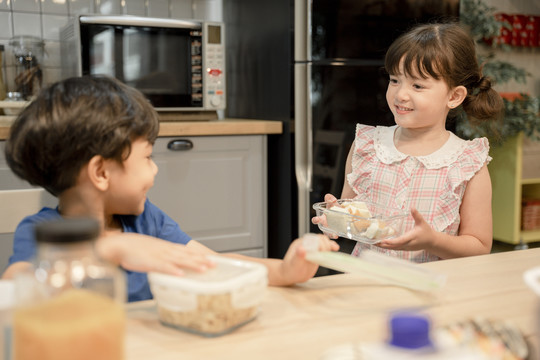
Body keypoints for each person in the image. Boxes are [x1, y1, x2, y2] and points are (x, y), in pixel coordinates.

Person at [2, 75, 339, 302]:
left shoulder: (147, 220)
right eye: (147, 157)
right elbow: (15, 288)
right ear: (101, 172)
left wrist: (283, 270)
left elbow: (213, 265)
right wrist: (111, 249)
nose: (155, 169)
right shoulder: (42, 234)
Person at [313, 22, 504, 263]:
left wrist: (432, 240)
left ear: (454, 96)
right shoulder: (367, 146)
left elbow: (479, 246)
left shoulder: (468, 162)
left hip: (435, 287)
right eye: (395, 80)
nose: (400, 94)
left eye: (417, 85)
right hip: (368, 281)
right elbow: (353, 219)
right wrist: (335, 219)